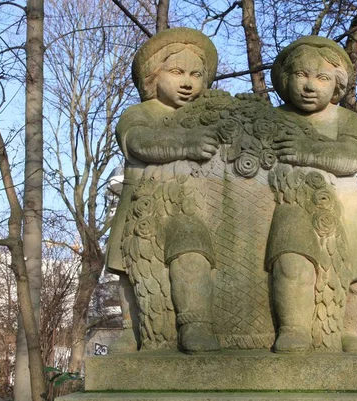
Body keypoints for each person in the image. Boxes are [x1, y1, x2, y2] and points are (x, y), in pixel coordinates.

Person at [105, 27, 221, 353]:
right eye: (177, 72)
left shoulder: (205, 118)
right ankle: (133, 329)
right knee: (129, 267)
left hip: (191, 207)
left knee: (192, 256)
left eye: (196, 75)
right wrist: (186, 143)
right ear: (153, 76)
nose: (187, 82)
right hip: (141, 205)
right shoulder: (139, 114)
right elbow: (139, 143)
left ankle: (194, 324)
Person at [268, 36, 357, 353]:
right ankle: (293, 328)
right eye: (302, 74)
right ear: (286, 78)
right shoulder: (274, 119)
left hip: (344, 208)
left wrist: (309, 151)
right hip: (291, 204)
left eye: (322, 77)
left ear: (337, 86)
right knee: (293, 265)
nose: (310, 85)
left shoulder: (345, 119)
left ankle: (347, 332)